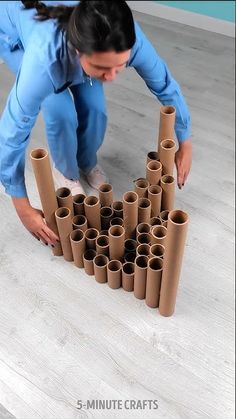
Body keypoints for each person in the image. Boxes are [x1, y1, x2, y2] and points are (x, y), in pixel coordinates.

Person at [0, 0, 192, 246]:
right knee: (60, 111)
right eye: (102, 68)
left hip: (76, 48)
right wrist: (22, 207)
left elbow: (164, 84)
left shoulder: (125, 35)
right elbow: (13, 131)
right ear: (79, 52)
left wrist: (185, 140)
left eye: (119, 66)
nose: (111, 77)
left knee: (95, 108)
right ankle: (66, 173)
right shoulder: (42, 59)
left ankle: (87, 161)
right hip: (14, 37)